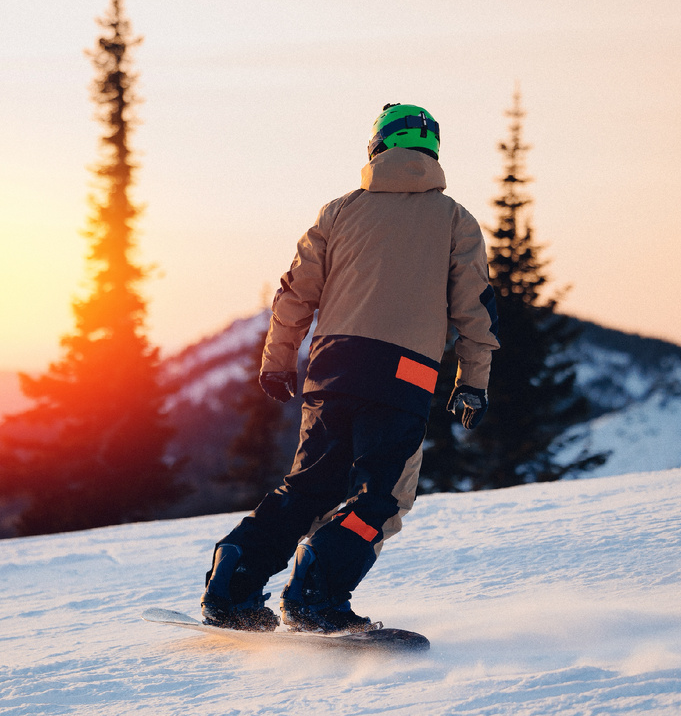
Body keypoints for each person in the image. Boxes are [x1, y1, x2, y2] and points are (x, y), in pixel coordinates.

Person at [200, 103, 500, 633]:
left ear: (377, 147)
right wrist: (472, 382)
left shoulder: (340, 211)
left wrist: (276, 361)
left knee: (309, 487)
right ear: (432, 151)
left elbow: (294, 293)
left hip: (332, 367)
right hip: (403, 374)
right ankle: (316, 595)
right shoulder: (456, 220)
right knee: (381, 498)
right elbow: (475, 310)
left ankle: (234, 582)